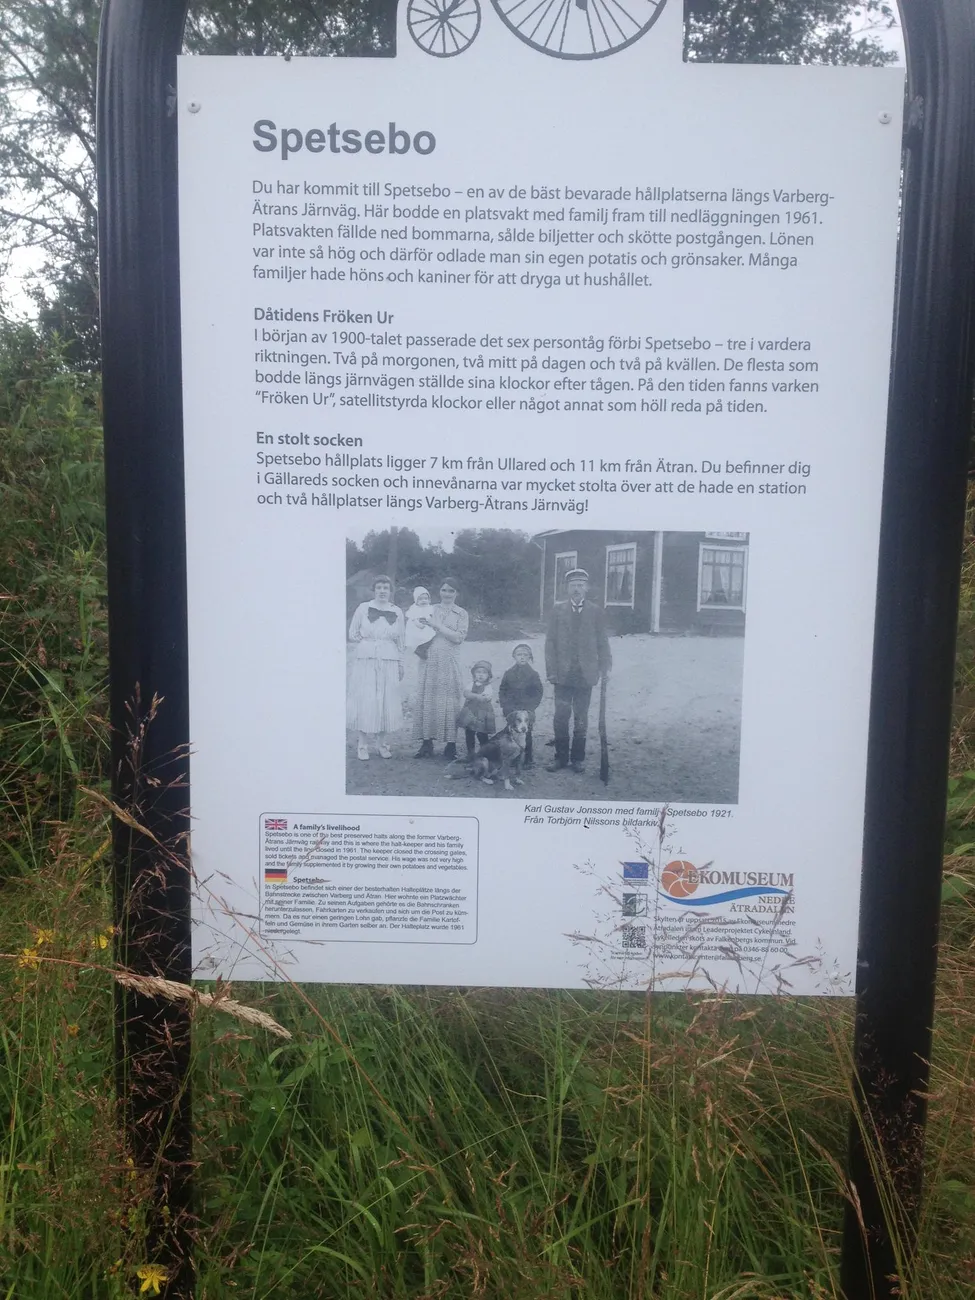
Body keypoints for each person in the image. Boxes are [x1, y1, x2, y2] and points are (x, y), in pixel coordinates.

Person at [544, 568, 611, 774]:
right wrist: (551, 671)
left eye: (580, 585)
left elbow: (602, 642)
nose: (576, 589)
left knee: (581, 717)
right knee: (561, 716)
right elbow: (550, 643)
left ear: (587, 588)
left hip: (585, 673)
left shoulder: (596, 611)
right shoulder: (557, 610)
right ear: (567, 588)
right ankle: (561, 757)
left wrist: (605, 668)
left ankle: (578, 759)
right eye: (573, 585)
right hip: (562, 674)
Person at [347, 574, 405, 760]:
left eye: (386, 588)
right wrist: (368, 643)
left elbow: (401, 641)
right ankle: (362, 745)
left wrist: (400, 663)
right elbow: (352, 633)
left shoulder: (397, 611)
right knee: (366, 699)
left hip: (389, 658)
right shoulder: (363, 608)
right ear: (374, 590)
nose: (382, 591)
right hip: (367, 659)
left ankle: (382, 744)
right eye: (379, 587)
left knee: (386, 700)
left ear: (390, 591)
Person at [412, 578, 469, 760]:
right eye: (444, 590)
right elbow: (416, 627)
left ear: (457, 593)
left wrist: (438, 626)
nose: (447, 594)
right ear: (439, 591)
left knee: (450, 701)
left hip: (449, 660)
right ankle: (426, 743)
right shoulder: (430, 609)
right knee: (428, 699)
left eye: (451, 591)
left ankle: (450, 745)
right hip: (429, 659)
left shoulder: (461, 613)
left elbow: (458, 637)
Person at [498, 644, 544, 769]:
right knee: (511, 733)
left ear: (529, 657)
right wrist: (505, 706)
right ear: (514, 656)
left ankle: (528, 759)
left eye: (525, 655)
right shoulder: (508, 673)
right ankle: (514, 757)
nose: (522, 657)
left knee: (526, 734)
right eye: (519, 654)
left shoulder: (533, 674)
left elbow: (538, 692)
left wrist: (530, 708)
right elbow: (502, 690)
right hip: (512, 710)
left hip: (526, 710)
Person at [457, 660, 497, 758]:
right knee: (469, 732)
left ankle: (484, 753)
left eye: (484, 673)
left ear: (489, 675)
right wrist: (476, 696)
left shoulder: (488, 687)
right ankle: (470, 753)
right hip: (470, 712)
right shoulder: (471, 684)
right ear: (474, 674)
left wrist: (476, 696)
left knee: (482, 733)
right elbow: (466, 693)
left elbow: (486, 698)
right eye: (478, 672)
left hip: (482, 713)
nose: (481, 675)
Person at [404, 586, 436, 658]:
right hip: (416, 627)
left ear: (429, 600)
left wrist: (431, 622)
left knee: (430, 637)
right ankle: (419, 649)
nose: (423, 601)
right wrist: (417, 623)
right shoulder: (414, 607)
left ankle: (423, 649)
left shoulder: (430, 607)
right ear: (416, 600)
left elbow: (432, 616)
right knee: (416, 639)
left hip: (426, 626)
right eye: (420, 599)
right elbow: (412, 617)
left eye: (426, 599)